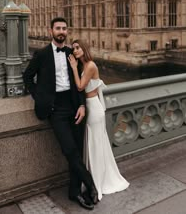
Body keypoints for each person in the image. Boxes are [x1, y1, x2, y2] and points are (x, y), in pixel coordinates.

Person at [23, 17, 98, 210]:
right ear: (51, 31)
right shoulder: (41, 54)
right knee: (69, 150)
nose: (61, 31)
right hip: (55, 108)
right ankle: (90, 185)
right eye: (58, 28)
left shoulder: (71, 53)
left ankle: (74, 192)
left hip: (73, 106)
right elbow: (27, 77)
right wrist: (39, 97)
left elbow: (79, 82)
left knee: (77, 150)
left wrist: (82, 105)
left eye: (64, 28)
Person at [68, 39, 129, 201]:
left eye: (77, 47)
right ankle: (92, 179)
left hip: (93, 107)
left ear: (84, 48)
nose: (75, 51)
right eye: (73, 48)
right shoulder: (84, 65)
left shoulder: (90, 66)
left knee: (95, 144)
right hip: (89, 106)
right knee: (92, 143)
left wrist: (74, 68)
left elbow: (80, 86)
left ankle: (98, 181)